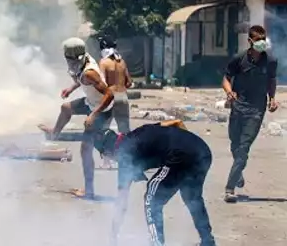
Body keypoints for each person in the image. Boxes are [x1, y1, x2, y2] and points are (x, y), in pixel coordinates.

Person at [96, 120, 216, 246]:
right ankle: (208, 241)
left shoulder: (125, 157)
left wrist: (113, 234)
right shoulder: (139, 131)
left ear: (107, 152)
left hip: (181, 156)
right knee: (192, 197)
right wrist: (185, 143)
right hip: (202, 150)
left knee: (151, 199)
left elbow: (122, 201)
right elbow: (176, 122)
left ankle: (157, 243)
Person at [38, 37, 114, 199]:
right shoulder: (83, 63)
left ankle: (89, 190)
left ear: (72, 57)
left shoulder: (90, 72)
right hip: (90, 103)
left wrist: (94, 115)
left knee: (85, 150)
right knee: (66, 108)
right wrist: (71, 88)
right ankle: (54, 134)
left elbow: (109, 94)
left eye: (66, 57)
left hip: (102, 109)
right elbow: (81, 78)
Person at [222, 24, 278, 203]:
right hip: (238, 107)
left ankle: (229, 188)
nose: (261, 44)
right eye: (257, 41)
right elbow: (226, 78)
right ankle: (238, 174)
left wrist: (272, 99)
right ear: (250, 41)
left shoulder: (270, 61)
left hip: (256, 110)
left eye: (263, 40)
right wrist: (229, 92)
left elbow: (271, 81)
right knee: (235, 144)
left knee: (244, 148)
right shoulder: (239, 59)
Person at [98, 35, 132, 134]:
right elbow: (129, 82)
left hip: (110, 98)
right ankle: (127, 149)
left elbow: (102, 83)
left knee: (103, 129)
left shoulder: (103, 62)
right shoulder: (122, 62)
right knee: (125, 131)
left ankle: (107, 149)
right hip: (123, 97)